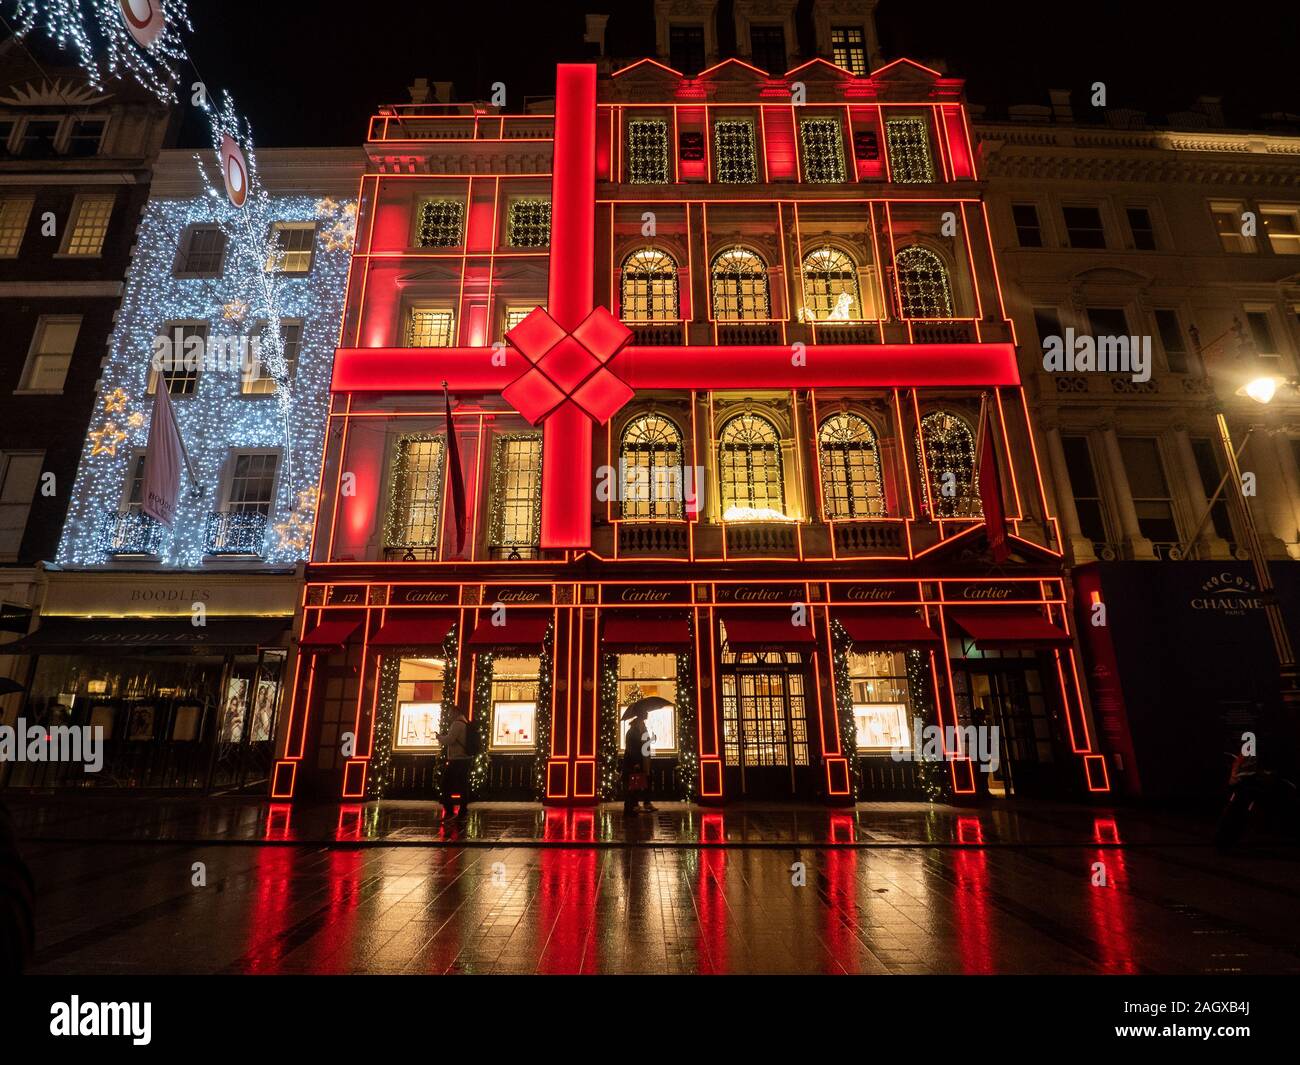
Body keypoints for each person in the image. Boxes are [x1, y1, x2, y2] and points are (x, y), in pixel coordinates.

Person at [437, 704, 473, 821]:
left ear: (456, 712)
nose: (449, 715)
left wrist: (439, 737)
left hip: (457, 759)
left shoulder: (457, 724)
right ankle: (462, 809)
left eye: (450, 713)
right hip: (465, 759)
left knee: (446, 784)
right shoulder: (465, 723)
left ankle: (449, 810)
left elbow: (450, 740)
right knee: (462, 785)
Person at [622, 708, 657, 816]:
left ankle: (642, 803)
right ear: (641, 715)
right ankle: (633, 806)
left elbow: (643, 744)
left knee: (645, 780)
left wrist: (651, 740)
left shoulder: (642, 728)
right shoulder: (633, 731)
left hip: (644, 760)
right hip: (636, 761)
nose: (647, 713)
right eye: (645, 712)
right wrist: (635, 762)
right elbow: (632, 748)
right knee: (635, 783)